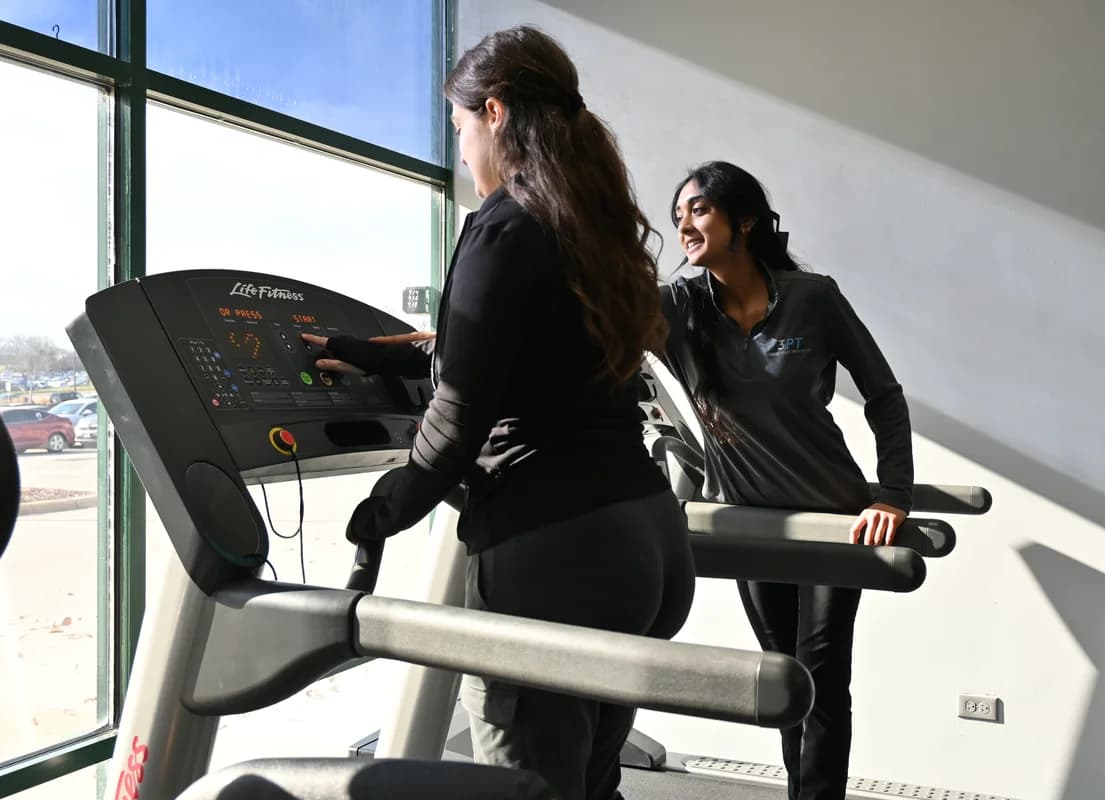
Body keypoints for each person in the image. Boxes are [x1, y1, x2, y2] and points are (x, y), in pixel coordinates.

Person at [303, 25, 695, 800]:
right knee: (589, 782)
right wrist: (372, 351)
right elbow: (503, 354)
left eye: (459, 132)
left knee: (528, 789)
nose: (461, 154)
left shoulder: (503, 224)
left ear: (494, 112)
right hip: (644, 539)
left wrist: (383, 510)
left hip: (556, 556)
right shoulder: (590, 226)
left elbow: (457, 417)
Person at [657, 161, 914, 800]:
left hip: (833, 518)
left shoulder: (813, 297)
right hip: (751, 521)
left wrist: (893, 494)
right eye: (678, 215)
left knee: (822, 675)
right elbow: (594, 337)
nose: (685, 224)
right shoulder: (680, 305)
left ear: (744, 219)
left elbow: (884, 395)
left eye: (699, 209)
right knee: (782, 678)